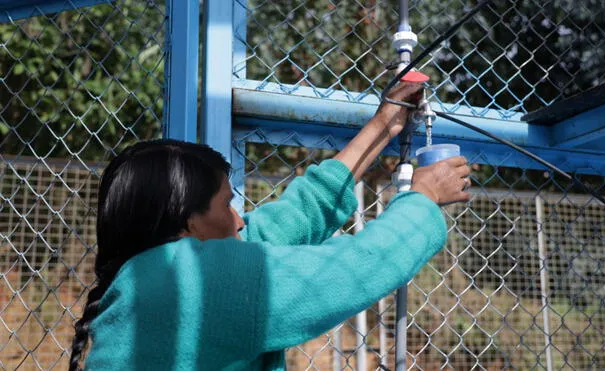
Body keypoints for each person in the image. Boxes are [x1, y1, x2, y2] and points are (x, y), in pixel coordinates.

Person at [68, 82, 471, 370]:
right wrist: (423, 199)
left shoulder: (152, 280)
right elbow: (351, 269)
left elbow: (288, 220)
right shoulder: (197, 282)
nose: (240, 219)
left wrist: (384, 124)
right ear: (188, 221)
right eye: (228, 205)